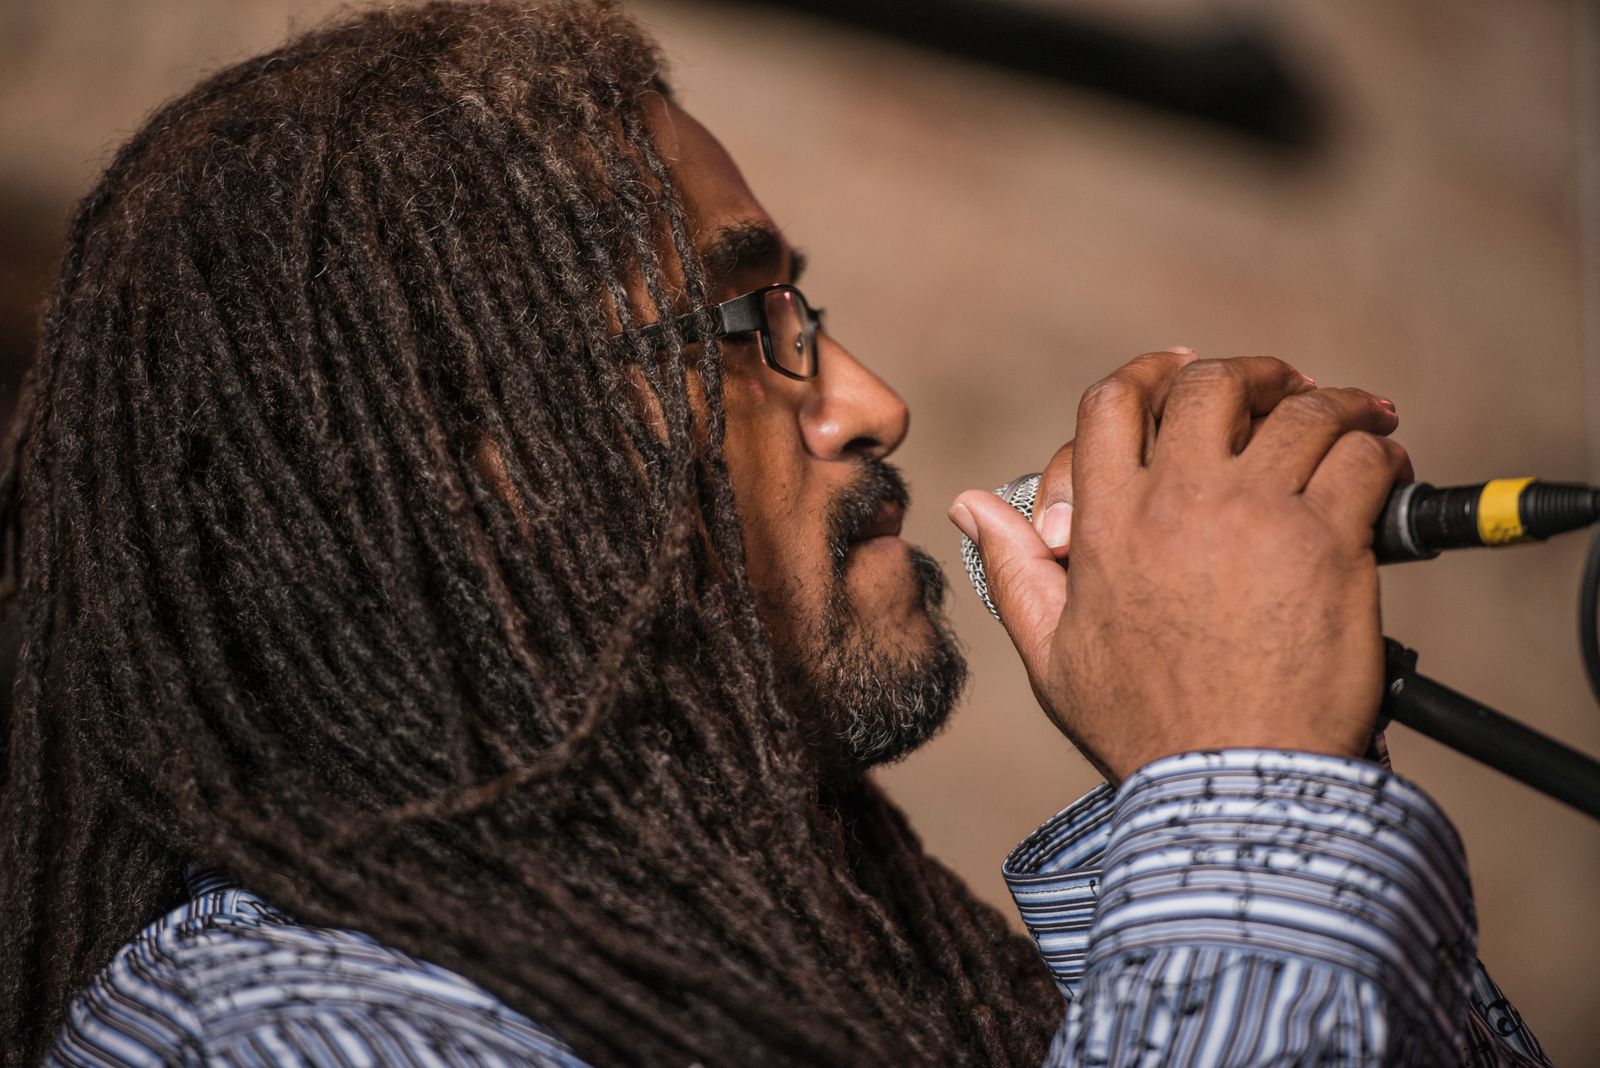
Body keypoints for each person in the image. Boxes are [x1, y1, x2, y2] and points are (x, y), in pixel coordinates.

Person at [0, 2, 1551, 1065]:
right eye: (752, 324)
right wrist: (1235, 790)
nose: (871, 403)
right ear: (473, 473)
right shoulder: (276, 1032)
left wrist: (1289, 766)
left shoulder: (859, 968)